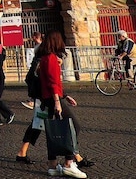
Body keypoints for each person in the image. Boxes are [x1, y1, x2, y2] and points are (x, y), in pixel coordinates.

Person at [16, 31, 93, 170]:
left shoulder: (44, 55)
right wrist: (58, 99)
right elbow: (49, 80)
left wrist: (63, 95)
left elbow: (52, 81)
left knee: (40, 125)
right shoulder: (46, 57)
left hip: (46, 96)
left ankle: (59, 159)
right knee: (66, 127)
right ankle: (70, 160)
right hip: (46, 97)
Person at [38, 30, 87, 178]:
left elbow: (49, 82)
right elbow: (53, 83)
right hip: (54, 100)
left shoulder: (45, 58)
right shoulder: (51, 59)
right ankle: (68, 163)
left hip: (48, 98)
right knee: (74, 127)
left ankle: (52, 165)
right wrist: (58, 102)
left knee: (53, 132)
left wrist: (65, 96)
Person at [22, 32, 43, 110]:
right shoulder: (37, 45)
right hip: (35, 65)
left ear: (35, 37)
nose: (32, 39)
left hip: (37, 66)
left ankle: (33, 100)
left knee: (33, 81)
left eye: (33, 37)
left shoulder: (41, 46)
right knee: (29, 79)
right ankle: (33, 98)